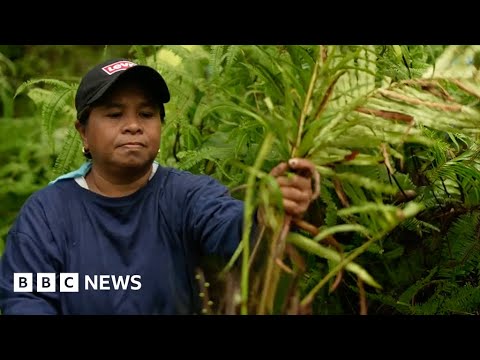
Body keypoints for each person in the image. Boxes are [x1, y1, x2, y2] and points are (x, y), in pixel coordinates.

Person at [0, 58, 317, 315]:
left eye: (147, 113)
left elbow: (236, 231)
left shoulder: (186, 196)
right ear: (83, 132)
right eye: (114, 113)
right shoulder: (48, 216)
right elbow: (27, 297)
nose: (134, 125)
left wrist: (268, 210)